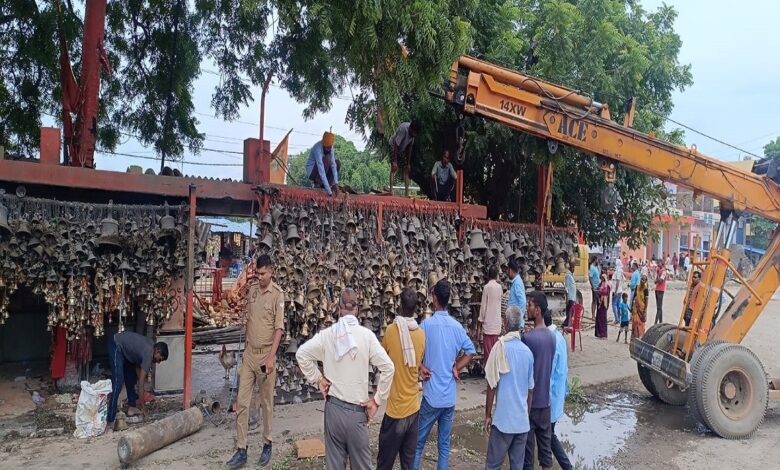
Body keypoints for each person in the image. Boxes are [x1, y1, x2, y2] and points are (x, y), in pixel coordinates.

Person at [296, 289, 395, 470]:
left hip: (333, 411)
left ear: (339, 308)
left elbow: (301, 354)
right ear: (357, 310)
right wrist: (377, 401)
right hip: (357, 414)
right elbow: (389, 367)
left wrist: (318, 378)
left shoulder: (328, 335)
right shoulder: (367, 337)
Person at [227, 255, 286, 469]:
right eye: (258, 273)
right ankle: (241, 449)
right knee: (242, 402)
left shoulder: (277, 295)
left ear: (271, 271)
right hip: (250, 355)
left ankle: (267, 443)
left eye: (263, 273)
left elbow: (279, 329)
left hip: (265, 356)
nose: (259, 277)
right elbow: (249, 320)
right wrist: (245, 349)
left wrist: (271, 357)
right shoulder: (252, 290)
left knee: (266, 403)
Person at [415, 279, 476, 470]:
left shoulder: (425, 326)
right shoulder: (456, 327)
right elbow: (471, 351)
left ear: (434, 299)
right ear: (448, 300)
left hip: (431, 396)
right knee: (444, 446)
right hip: (448, 398)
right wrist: (456, 366)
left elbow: (415, 352)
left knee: (418, 444)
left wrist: (420, 366)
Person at [377, 288, 425, 470]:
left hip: (395, 412)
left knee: (384, 464)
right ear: (415, 309)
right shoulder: (421, 334)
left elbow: (382, 360)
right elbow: (418, 362)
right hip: (414, 410)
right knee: (408, 464)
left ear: (400, 306)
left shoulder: (390, 331)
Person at [483, 305, 534, 470]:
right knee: (517, 466)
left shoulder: (499, 348)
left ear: (505, 323)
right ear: (519, 324)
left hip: (503, 422)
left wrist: (488, 415)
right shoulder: (527, 353)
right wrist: (525, 415)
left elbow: (491, 385)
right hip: (521, 423)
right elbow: (530, 390)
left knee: (492, 465)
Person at [521, 291, 556, 470]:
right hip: (546, 403)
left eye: (530, 305)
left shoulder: (527, 338)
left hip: (530, 403)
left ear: (538, 311)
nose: (527, 308)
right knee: (545, 455)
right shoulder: (552, 337)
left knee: (528, 456)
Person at [107, 332, 169, 426]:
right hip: (116, 344)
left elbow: (136, 360)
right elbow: (141, 385)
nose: (158, 362)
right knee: (118, 381)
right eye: (160, 359)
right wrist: (143, 408)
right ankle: (110, 417)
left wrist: (138, 379)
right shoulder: (148, 355)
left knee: (131, 379)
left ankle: (132, 407)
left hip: (127, 353)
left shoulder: (151, 344)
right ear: (157, 351)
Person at [544, 311, 572, 470]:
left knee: (548, 437)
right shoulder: (559, 337)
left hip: (550, 397)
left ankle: (567, 466)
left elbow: (549, 373)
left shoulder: (551, 340)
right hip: (557, 394)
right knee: (547, 436)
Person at [479, 265, 503, 366]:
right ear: (497, 275)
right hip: (497, 324)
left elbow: (483, 306)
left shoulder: (487, 287)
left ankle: (489, 373)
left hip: (488, 325)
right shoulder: (500, 287)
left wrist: (480, 319)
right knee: (496, 352)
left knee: (488, 354)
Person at [390, 121, 420, 197]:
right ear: (410, 129)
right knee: (394, 168)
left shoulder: (413, 135)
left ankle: (407, 193)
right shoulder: (404, 129)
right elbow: (396, 144)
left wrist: (408, 163)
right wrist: (395, 161)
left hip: (402, 149)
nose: (413, 135)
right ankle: (391, 191)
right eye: (413, 133)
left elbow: (410, 147)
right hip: (394, 145)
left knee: (407, 169)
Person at [306, 131, 340, 196]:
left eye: (330, 147)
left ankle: (329, 185)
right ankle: (318, 183)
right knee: (327, 158)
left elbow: (333, 165)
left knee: (337, 163)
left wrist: (336, 183)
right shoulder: (317, 148)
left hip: (324, 170)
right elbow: (321, 169)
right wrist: (329, 192)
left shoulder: (331, 147)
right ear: (323, 143)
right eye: (327, 147)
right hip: (313, 172)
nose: (328, 149)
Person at [507, 259, 527, 327]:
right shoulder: (516, 282)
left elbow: (523, 301)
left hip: (516, 323)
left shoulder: (517, 283)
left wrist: (518, 319)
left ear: (510, 270)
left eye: (507, 270)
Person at [595, 274, 610, 339]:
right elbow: (598, 290)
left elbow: (607, 293)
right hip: (599, 302)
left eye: (603, 278)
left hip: (604, 303)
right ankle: (599, 333)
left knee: (603, 318)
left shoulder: (607, 285)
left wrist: (601, 293)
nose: (602, 279)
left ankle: (603, 334)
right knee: (598, 317)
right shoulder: (600, 284)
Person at [611, 258, 624, 324]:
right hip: (619, 290)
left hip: (617, 290)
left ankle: (617, 318)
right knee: (618, 304)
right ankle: (618, 317)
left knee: (614, 304)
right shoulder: (620, 270)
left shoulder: (618, 271)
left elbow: (618, 281)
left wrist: (615, 291)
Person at [588, 256, 600, 320]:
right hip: (595, 287)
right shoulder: (592, 268)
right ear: (595, 260)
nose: (598, 261)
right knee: (594, 301)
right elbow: (590, 278)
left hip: (598, 287)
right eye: (597, 260)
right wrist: (593, 287)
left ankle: (596, 315)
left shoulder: (596, 267)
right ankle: (593, 315)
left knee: (598, 301)